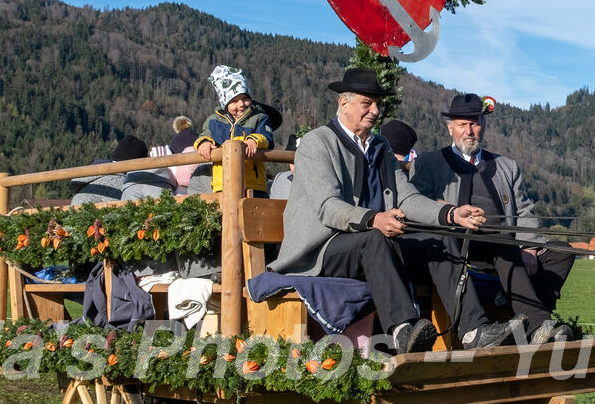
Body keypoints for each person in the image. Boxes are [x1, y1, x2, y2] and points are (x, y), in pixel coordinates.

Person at [270, 67, 506, 352]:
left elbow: (406, 198)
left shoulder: (380, 146)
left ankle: (473, 331)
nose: (375, 111)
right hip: (323, 249)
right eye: (367, 103)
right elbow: (328, 207)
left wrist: (450, 215)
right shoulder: (317, 143)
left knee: (440, 239)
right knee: (374, 238)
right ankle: (403, 331)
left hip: (376, 241)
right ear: (343, 103)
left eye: (378, 104)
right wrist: (374, 219)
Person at [411, 92, 578, 342]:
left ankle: (518, 315)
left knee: (562, 251)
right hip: (460, 248)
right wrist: (446, 210)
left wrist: (530, 248)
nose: (469, 131)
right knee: (501, 242)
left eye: (475, 123)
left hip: (508, 247)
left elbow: (524, 211)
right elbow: (416, 204)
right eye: (462, 125)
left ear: (484, 125)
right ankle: (537, 325)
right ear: (450, 129)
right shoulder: (429, 164)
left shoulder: (506, 166)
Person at [194, 65, 274, 194]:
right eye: (234, 101)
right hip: (222, 182)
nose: (241, 104)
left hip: (253, 183)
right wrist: (203, 143)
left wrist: (254, 140)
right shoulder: (213, 121)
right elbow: (204, 135)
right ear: (225, 103)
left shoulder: (259, 117)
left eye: (245, 98)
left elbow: (267, 137)